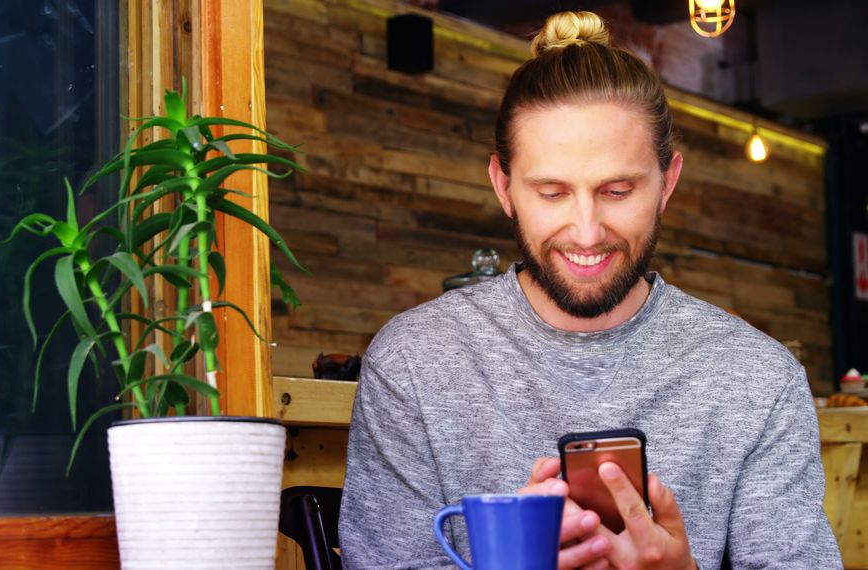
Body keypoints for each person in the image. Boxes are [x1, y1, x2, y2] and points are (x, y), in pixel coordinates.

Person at [338, 10, 841, 570]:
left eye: (618, 190)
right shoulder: (415, 364)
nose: (586, 232)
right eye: (552, 192)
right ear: (503, 187)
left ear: (667, 183)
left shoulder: (758, 380)